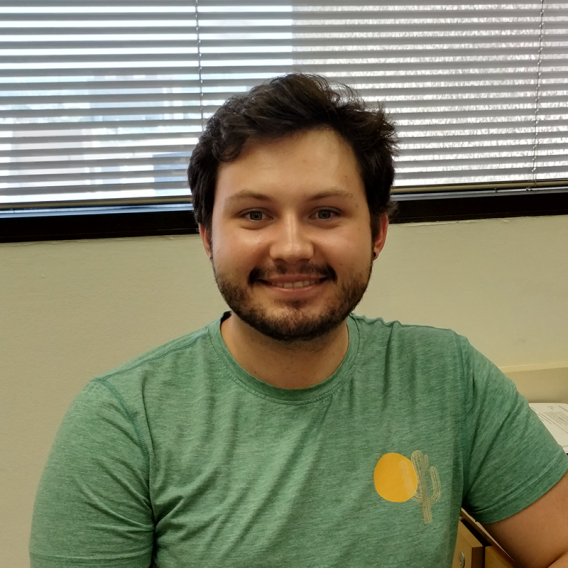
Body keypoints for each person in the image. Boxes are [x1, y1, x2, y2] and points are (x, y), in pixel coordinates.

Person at [30, 74, 568, 568]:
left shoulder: (449, 378)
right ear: (208, 237)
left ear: (378, 232)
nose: (291, 248)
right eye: (255, 214)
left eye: (326, 213)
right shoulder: (122, 422)